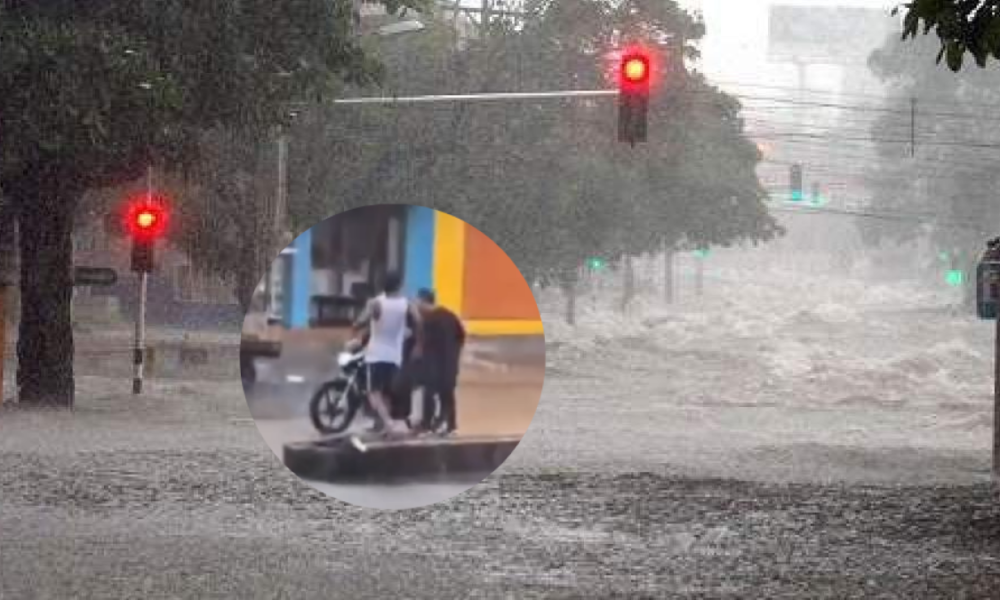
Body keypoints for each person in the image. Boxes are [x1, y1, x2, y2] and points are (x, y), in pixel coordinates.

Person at [352, 272, 423, 438]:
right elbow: (419, 321)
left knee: (372, 392)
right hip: (395, 355)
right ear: (399, 285)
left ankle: (388, 423)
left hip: (375, 354)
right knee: (386, 392)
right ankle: (383, 425)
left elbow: (360, 322)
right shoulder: (407, 304)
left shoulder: (375, 303)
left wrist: (357, 330)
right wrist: (417, 343)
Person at [412, 288, 465, 435]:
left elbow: (424, 345)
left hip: (435, 365)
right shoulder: (449, 316)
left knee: (429, 394)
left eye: (417, 302)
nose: (416, 305)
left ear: (424, 301)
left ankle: (427, 425)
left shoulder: (429, 320)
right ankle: (451, 425)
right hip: (450, 363)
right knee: (447, 394)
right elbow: (461, 336)